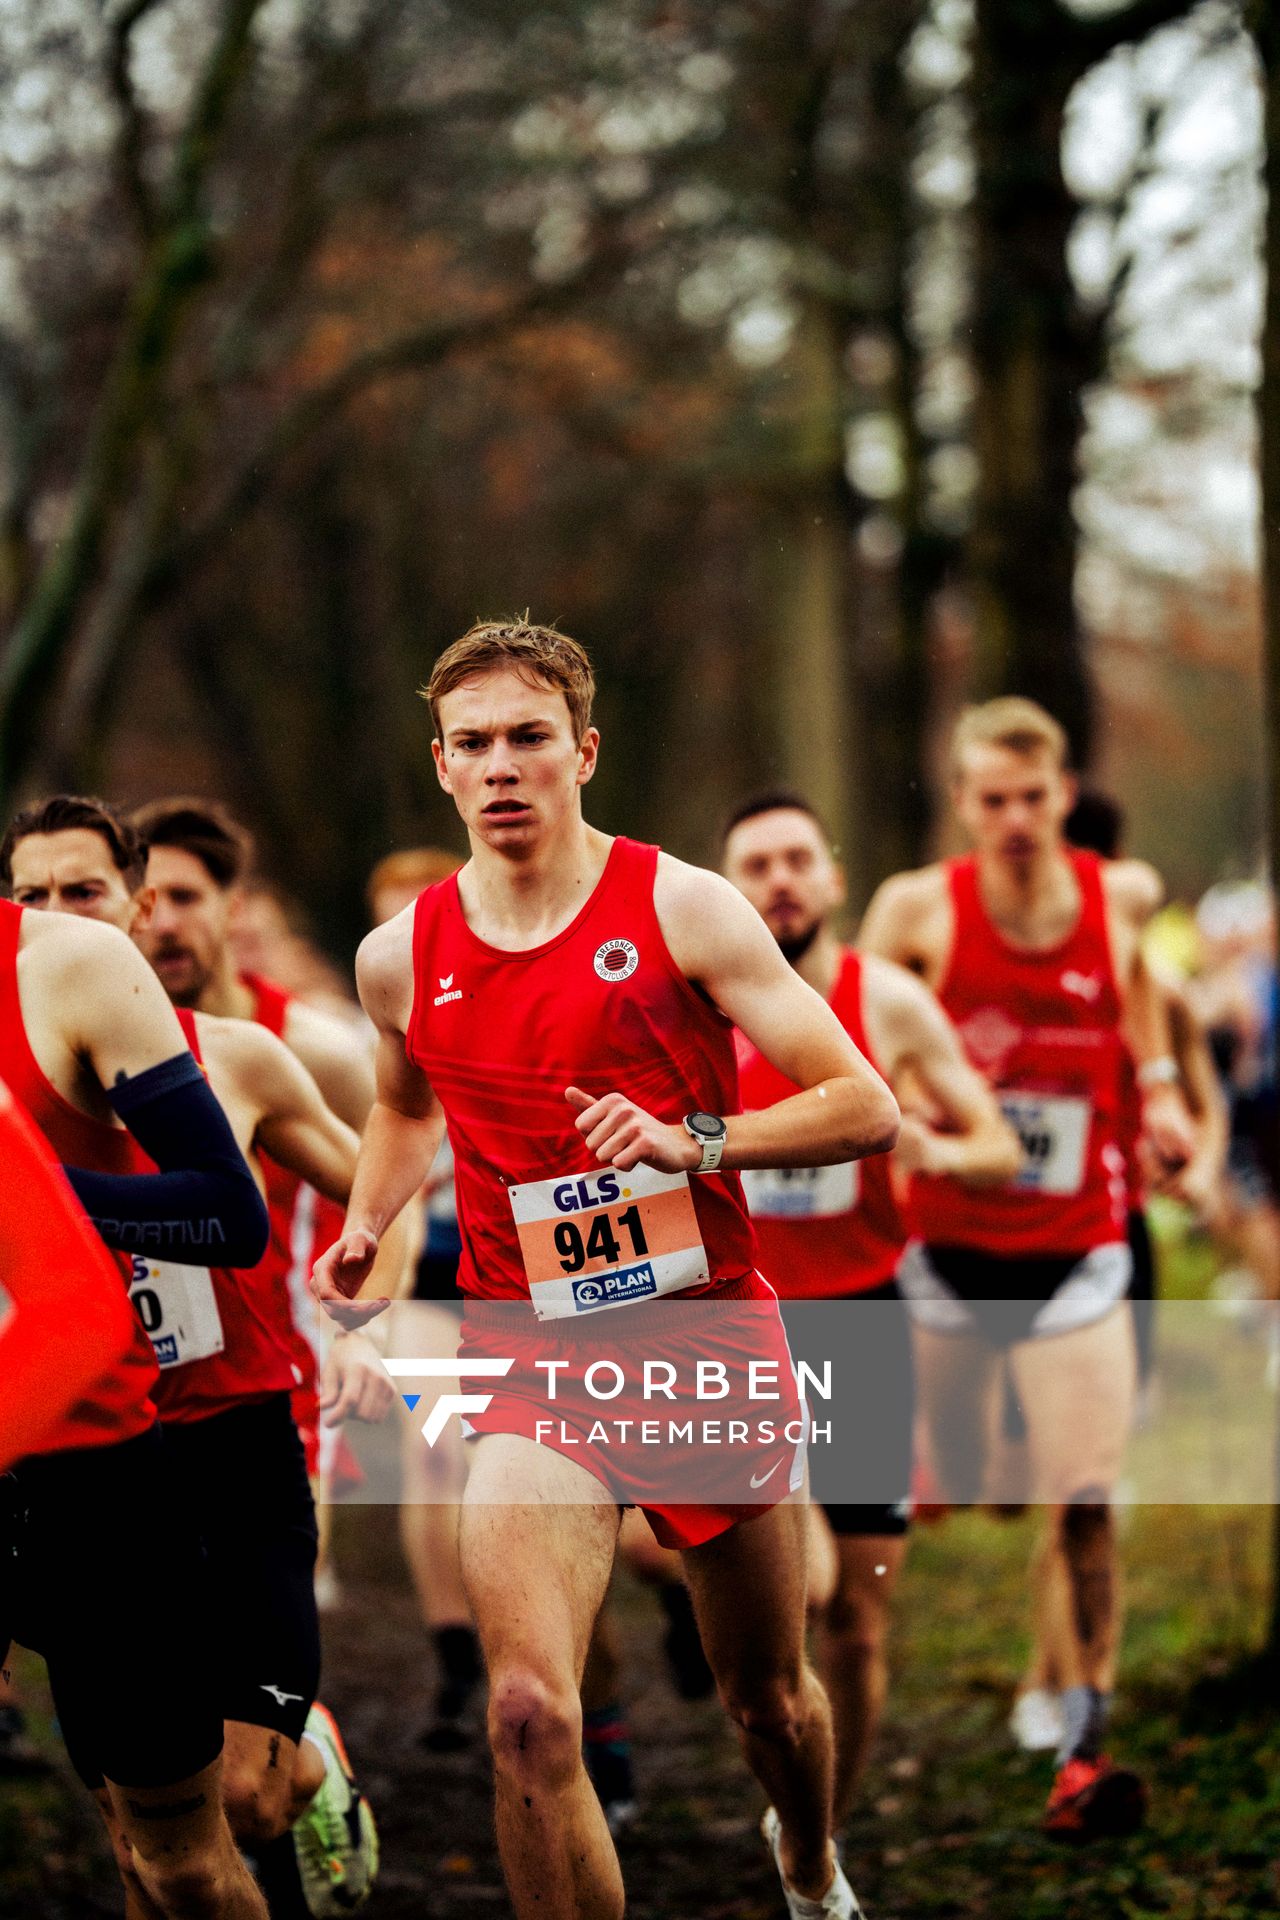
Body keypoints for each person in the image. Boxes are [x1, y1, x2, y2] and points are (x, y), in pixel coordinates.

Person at [313, 618, 901, 1920]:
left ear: (582, 750)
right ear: (443, 767)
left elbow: (865, 1107)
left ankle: (807, 1863)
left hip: (705, 1340)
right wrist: (367, 1219)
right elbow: (410, 1110)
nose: (504, 765)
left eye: (530, 738)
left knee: (764, 1698)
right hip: (532, 1357)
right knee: (529, 1715)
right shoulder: (400, 956)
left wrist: (696, 1139)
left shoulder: (683, 905)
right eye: (476, 745)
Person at [4, 793, 386, 1917]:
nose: (62, 911)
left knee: (248, 1804)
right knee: (138, 1838)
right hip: (79, 1440)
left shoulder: (244, 1056)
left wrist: (375, 1315)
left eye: (85, 890)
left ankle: (303, 1757)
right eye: (35, 893)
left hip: (232, 1440)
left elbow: (369, 1190)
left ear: (134, 900)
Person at [859, 697, 1195, 1841]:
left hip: (1078, 1251)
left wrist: (1153, 1092)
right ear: (960, 802)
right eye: (989, 799)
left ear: (1063, 797)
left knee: (1084, 1493)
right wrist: (902, 1108)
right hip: (944, 1252)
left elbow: (1135, 979)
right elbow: (860, 1021)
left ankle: (1082, 1746)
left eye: (1031, 798)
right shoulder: (916, 908)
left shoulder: (1120, 895)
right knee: (970, 1484)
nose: (1011, 818)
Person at [722, 789, 1021, 1831]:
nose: (780, 882)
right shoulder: (692, 1005)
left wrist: (934, 1147)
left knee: (855, 1615)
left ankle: (817, 1832)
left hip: (858, 1323)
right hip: (731, 1323)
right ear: (726, 889)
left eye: (798, 859)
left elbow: (998, 1143)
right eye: (755, 866)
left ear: (835, 879)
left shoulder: (884, 1000)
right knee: (790, 1593)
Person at [0, 868, 269, 1917]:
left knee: (178, 1865)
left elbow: (229, 1216)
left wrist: (33, 1201)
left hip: (95, 1477)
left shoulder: (72, 964)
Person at [367, 846, 485, 1751]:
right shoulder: (378, 1022)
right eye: (392, 913)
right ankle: (455, 1656)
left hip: (525, 1268)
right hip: (426, 1269)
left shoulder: (510, 996)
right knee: (437, 1449)